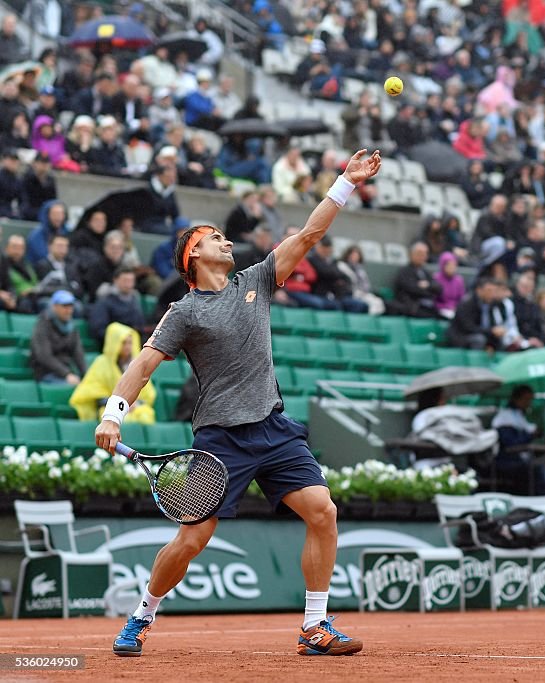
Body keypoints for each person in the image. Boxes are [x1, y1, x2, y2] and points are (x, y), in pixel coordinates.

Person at [94, 148, 381, 658]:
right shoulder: (183, 312)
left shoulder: (256, 281)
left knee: (322, 511)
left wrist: (346, 182)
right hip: (221, 439)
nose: (225, 241)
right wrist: (114, 413)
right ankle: (142, 614)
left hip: (273, 428)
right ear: (194, 258)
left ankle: (315, 626)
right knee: (190, 541)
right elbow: (142, 364)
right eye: (213, 238)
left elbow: (309, 235)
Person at [71, 323, 157, 423]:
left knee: (146, 415)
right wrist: (121, 404)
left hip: (134, 408)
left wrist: (135, 403)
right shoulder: (101, 363)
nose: (127, 347)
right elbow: (95, 395)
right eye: (124, 343)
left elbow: (148, 395)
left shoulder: (136, 364)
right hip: (110, 408)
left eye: (130, 343)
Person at [492, 385, 545, 495]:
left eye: (530, 400)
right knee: (541, 474)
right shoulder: (504, 418)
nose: (528, 403)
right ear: (516, 399)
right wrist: (531, 435)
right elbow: (511, 444)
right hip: (506, 463)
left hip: (523, 462)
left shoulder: (520, 417)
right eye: (526, 399)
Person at [29, 290, 86, 384]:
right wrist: (66, 374)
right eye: (64, 306)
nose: (69, 310)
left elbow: (78, 354)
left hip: (67, 371)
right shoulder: (42, 324)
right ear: (54, 306)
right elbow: (44, 356)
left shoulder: (72, 327)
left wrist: (86, 375)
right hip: (46, 373)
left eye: (70, 306)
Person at [390, 242, 441, 318]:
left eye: (425, 254)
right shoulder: (404, 272)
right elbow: (412, 289)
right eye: (420, 253)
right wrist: (428, 289)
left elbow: (438, 288)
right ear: (411, 254)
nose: (423, 256)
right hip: (412, 308)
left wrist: (427, 286)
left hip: (429, 307)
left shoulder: (425, 272)